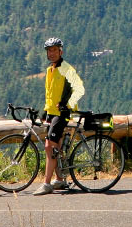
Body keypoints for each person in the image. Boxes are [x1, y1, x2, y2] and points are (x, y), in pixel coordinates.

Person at [32, 37, 85, 196]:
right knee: (56, 146)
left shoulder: (67, 69)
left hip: (62, 113)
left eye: (54, 50)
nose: (52, 53)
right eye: (49, 50)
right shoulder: (50, 70)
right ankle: (60, 179)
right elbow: (50, 94)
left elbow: (79, 89)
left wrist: (67, 104)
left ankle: (47, 184)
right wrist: (45, 111)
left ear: (60, 51)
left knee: (49, 146)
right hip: (52, 112)